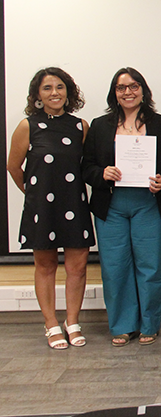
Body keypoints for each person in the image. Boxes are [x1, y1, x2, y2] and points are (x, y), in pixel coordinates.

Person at [82, 68, 161, 346]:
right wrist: (102, 174)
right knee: (114, 266)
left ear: (143, 90)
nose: (128, 92)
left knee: (151, 266)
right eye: (121, 88)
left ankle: (149, 324)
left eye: (133, 86)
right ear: (114, 93)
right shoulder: (99, 125)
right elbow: (86, 167)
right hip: (111, 206)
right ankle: (122, 325)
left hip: (149, 203)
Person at [7, 67, 93, 350]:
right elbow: (13, 166)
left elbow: (85, 167)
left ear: (68, 92)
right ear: (37, 95)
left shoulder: (81, 126)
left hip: (74, 205)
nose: (54, 93)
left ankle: (72, 322)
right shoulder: (27, 126)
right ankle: (50, 324)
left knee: (77, 267)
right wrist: (34, 195)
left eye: (59, 87)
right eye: (47, 88)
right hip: (41, 209)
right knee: (45, 266)